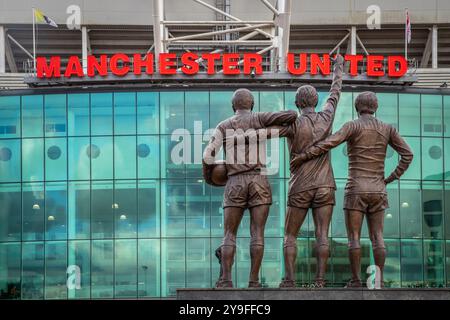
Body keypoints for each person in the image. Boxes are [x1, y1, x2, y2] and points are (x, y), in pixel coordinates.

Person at [290, 91, 413, 287]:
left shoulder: (352, 126)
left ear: (357, 108)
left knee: (353, 237)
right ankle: (378, 281)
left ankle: (356, 280)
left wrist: (304, 156)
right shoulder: (388, 128)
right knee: (377, 236)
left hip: (355, 188)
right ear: (376, 107)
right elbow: (408, 154)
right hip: (378, 189)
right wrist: (390, 178)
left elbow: (328, 143)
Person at [203, 88, 297, 288]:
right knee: (258, 233)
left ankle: (226, 280)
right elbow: (291, 115)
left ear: (233, 106)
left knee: (229, 234)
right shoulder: (260, 118)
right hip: (259, 181)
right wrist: (258, 133)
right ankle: (253, 281)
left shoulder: (223, 126)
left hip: (234, 181)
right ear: (251, 104)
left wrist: (209, 179)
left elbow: (207, 156)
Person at [273, 54, 344, 288]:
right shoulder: (326, 116)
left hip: (300, 186)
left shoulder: (292, 123)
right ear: (315, 101)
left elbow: (266, 130)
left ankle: (290, 281)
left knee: (290, 235)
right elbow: (335, 93)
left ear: (297, 103)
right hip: (325, 186)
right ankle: (320, 280)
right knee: (322, 233)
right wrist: (338, 67)